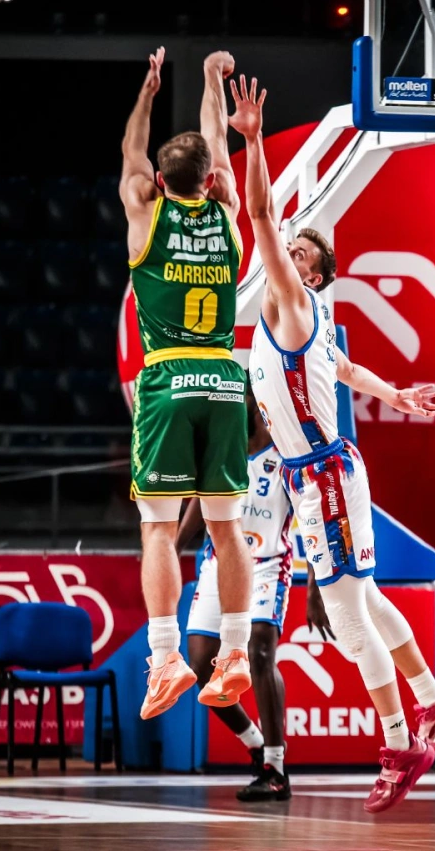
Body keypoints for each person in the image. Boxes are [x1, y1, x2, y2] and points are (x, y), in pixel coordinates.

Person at [228, 75, 435, 813]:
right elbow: (345, 369)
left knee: (348, 619)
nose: (285, 248)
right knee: (364, 597)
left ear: (312, 271)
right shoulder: (309, 320)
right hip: (322, 473)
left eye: (298, 248)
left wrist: (252, 143)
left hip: (322, 476)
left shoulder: (293, 302)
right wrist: (395, 395)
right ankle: (433, 698)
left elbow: (260, 213)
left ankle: (400, 743)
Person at [120, 47, 255, 719]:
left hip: (168, 375)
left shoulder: (145, 215)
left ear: (158, 181)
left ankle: (166, 656)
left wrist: (148, 93)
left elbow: (129, 154)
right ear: (210, 180)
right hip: (227, 378)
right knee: (227, 531)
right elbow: (218, 145)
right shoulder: (228, 214)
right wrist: (210, 81)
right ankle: (234, 652)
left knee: (158, 529)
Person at [177, 388, 298, 801]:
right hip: (220, 561)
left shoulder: (287, 450)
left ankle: (276, 768)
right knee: (200, 665)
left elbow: (313, 517)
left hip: (268, 563)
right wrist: (174, 546)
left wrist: (317, 588)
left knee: (261, 652)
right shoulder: (222, 445)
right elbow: (203, 499)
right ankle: (256, 745)